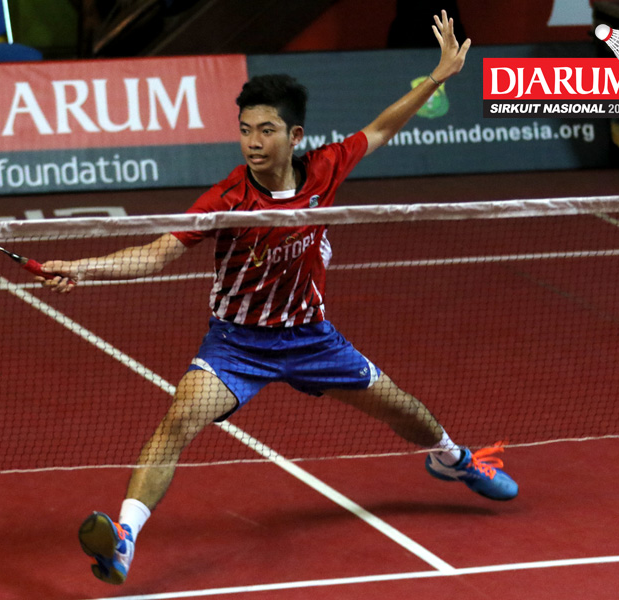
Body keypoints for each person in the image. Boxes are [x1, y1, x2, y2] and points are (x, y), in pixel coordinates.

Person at [39, 11, 517, 586]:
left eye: (266, 130)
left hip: (313, 339)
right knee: (177, 422)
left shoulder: (325, 170)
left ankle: (453, 459)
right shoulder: (227, 199)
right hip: (237, 345)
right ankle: (124, 539)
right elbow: (158, 253)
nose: (252, 142)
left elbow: (381, 128)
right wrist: (82, 269)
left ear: (295, 136)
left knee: (405, 410)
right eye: (245, 129)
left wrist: (437, 76)